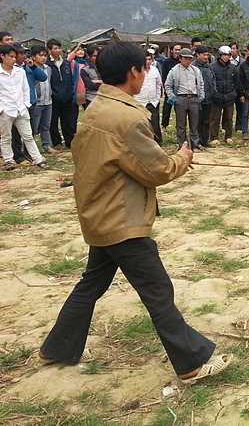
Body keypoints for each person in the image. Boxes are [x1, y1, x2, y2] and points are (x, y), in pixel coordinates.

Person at [39, 41, 232, 383]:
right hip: (121, 218)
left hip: (99, 212)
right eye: (143, 68)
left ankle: (56, 347)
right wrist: (183, 159)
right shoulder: (126, 117)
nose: (145, 74)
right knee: (158, 291)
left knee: (91, 284)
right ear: (134, 72)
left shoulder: (97, 108)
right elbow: (156, 170)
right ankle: (191, 363)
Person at [0, 45, 48, 170]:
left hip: (21, 108)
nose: (13, 59)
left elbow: (25, 89)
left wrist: (26, 104)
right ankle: (9, 161)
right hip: (6, 110)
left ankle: (38, 159)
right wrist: (1, 109)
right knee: (6, 137)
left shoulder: (20, 71)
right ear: (2, 56)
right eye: (10, 57)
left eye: (14, 57)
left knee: (28, 136)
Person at [164, 48, 204, 152]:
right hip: (181, 98)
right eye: (186, 58)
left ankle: (195, 144)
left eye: (190, 58)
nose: (188, 61)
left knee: (194, 124)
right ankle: (182, 145)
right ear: (180, 58)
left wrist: (201, 97)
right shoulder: (174, 70)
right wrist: (174, 99)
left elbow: (201, 84)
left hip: (194, 98)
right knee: (181, 125)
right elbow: (167, 86)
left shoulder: (195, 70)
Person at [209, 46, 242, 144]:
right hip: (216, 97)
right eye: (224, 55)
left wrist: (236, 94)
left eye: (228, 55)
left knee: (229, 118)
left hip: (230, 97)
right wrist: (214, 94)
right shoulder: (212, 67)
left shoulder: (233, 68)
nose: (226, 57)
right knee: (214, 118)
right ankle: (214, 137)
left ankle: (228, 136)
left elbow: (237, 83)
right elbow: (211, 82)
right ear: (219, 56)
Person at [29, 46, 56, 155]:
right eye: (40, 55)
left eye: (45, 55)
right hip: (37, 102)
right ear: (33, 57)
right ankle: (32, 148)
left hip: (48, 101)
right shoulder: (30, 69)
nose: (43, 58)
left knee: (46, 125)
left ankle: (46, 146)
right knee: (34, 127)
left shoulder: (48, 68)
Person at [133, 50, 164, 145]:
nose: (148, 62)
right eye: (146, 60)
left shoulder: (155, 70)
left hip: (153, 102)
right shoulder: (136, 71)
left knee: (155, 124)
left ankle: (158, 144)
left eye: (150, 59)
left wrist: (158, 97)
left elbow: (159, 84)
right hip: (140, 102)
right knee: (141, 124)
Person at [192, 46, 216, 148]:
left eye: (207, 55)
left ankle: (205, 140)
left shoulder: (209, 67)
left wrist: (213, 91)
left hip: (208, 98)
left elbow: (213, 79)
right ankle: (196, 142)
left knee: (206, 120)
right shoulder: (193, 67)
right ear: (197, 55)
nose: (206, 57)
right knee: (197, 121)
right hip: (197, 99)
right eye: (204, 55)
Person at [161, 44, 182, 128]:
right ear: (172, 50)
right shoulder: (167, 61)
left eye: (179, 50)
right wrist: (165, 85)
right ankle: (164, 125)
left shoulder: (182, 61)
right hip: (169, 86)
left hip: (180, 87)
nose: (177, 52)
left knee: (180, 109)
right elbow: (164, 74)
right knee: (167, 108)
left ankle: (179, 126)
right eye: (176, 50)